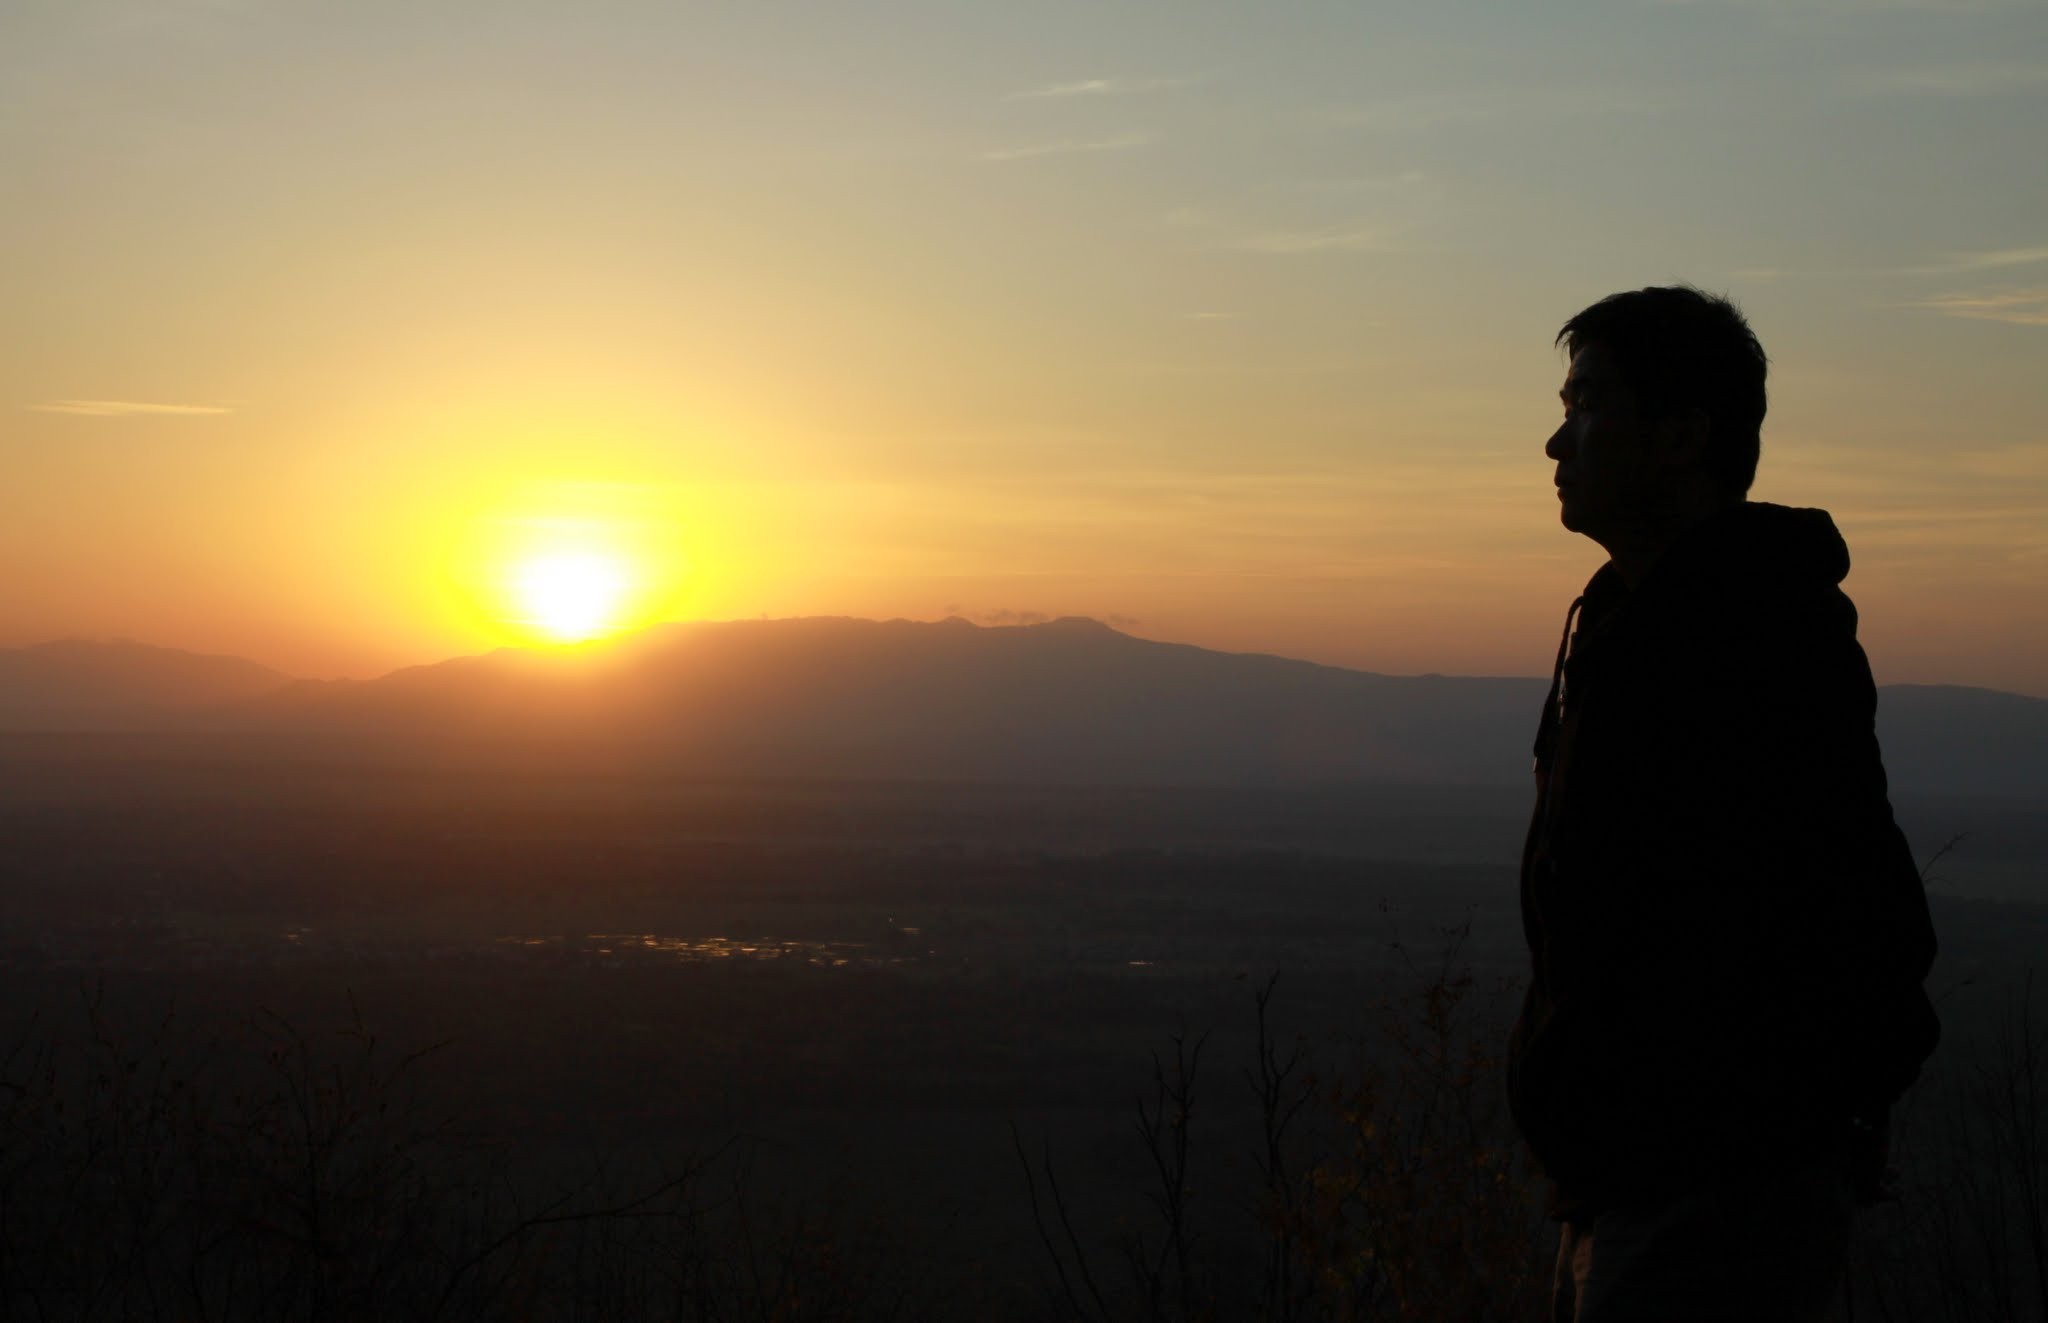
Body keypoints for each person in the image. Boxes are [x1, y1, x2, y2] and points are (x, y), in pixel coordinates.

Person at [1507, 286, 1940, 1321]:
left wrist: (1780, 1131)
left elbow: (1851, 916)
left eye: (1587, 403)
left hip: (1707, 1196)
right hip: (1630, 1186)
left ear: (1682, 436)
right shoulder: (1634, 629)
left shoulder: (1747, 645)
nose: (1553, 441)